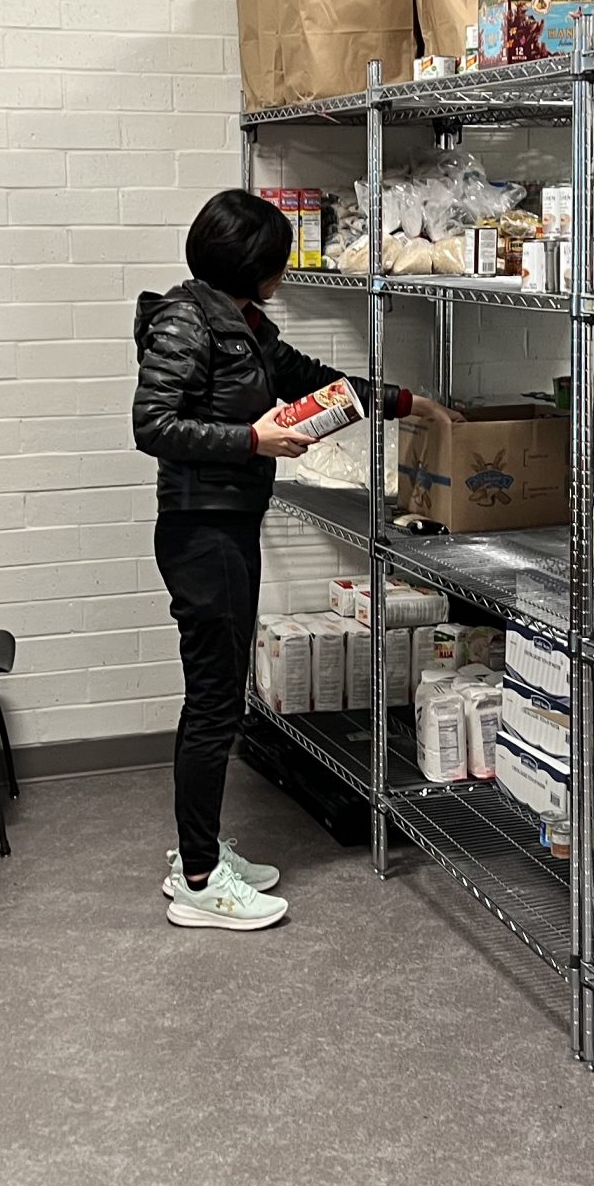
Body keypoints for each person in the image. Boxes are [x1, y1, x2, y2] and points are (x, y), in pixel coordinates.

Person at [133, 190, 458, 932]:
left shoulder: (240, 324)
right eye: (278, 259)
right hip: (200, 532)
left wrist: (412, 403)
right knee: (215, 703)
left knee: (217, 695)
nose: (284, 271)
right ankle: (198, 878)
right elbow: (152, 424)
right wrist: (255, 442)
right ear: (253, 265)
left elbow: (315, 380)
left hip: (226, 525)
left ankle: (203, 850)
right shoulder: (187, 321)